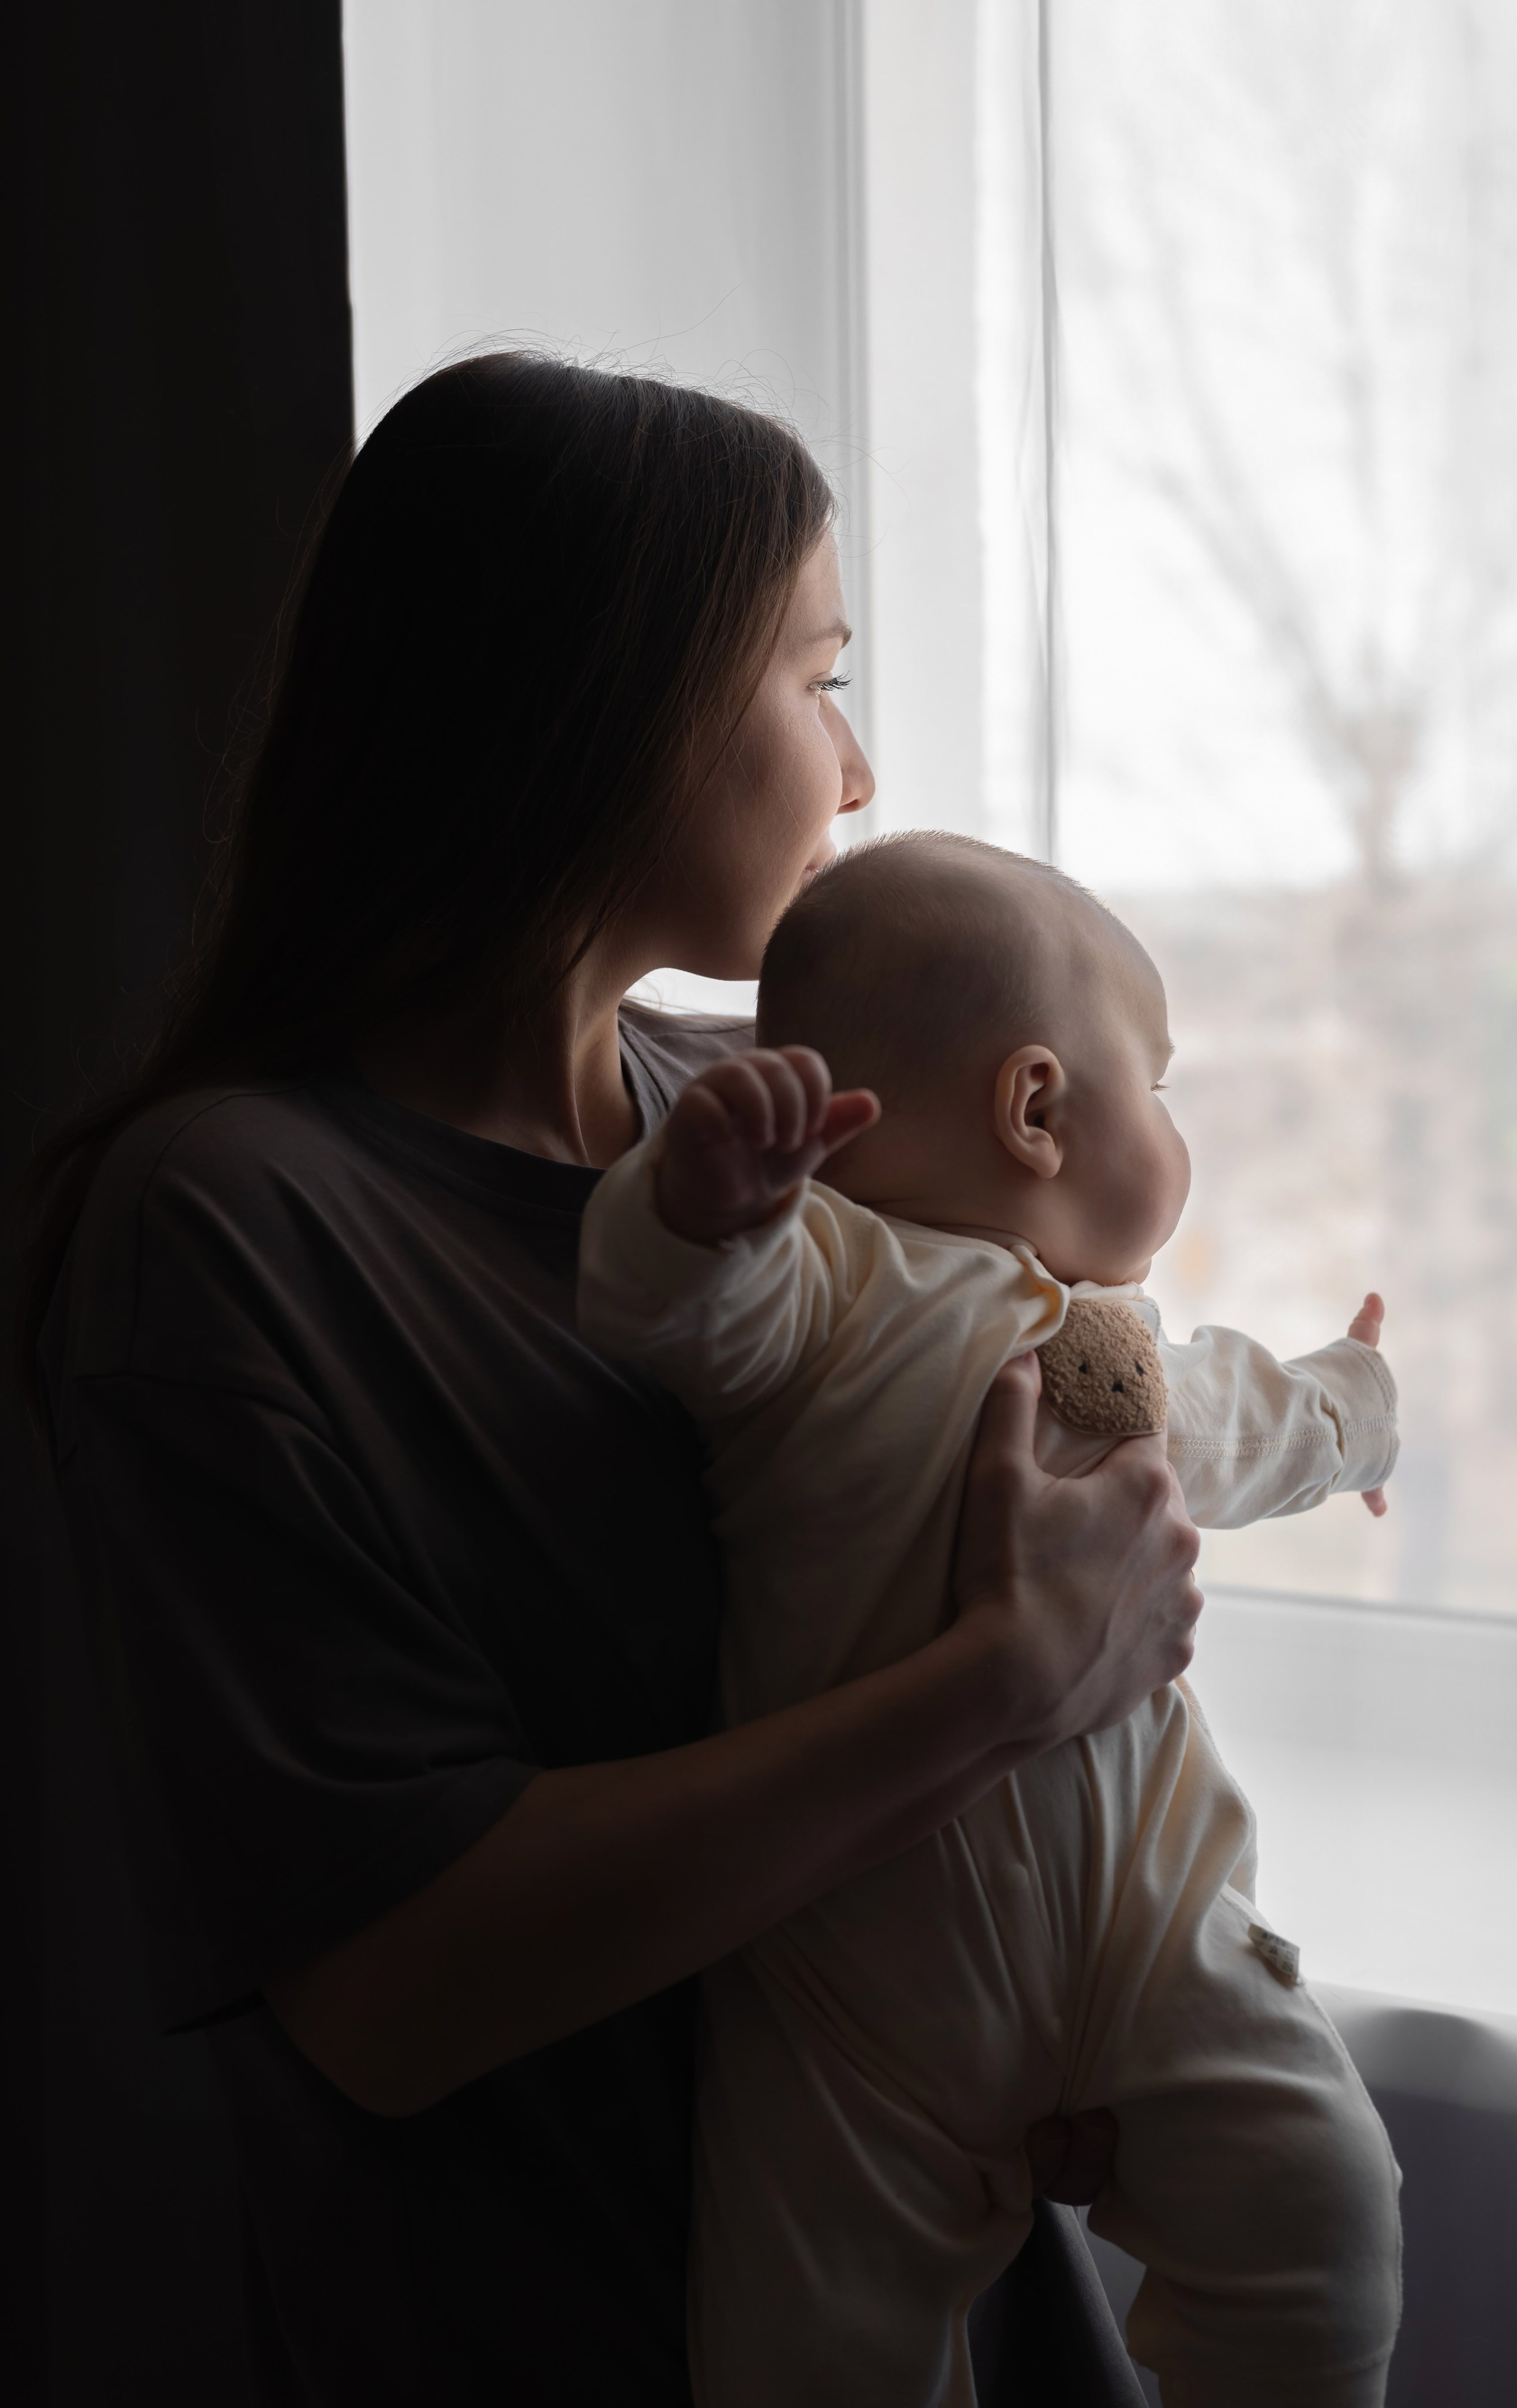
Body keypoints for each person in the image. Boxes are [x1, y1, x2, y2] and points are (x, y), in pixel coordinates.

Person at [16, 355, 1203, 2404]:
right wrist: (1003, 1684)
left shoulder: (757, 1115)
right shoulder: (226, 1227)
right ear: (602, 696)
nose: (853, 771)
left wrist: (1073, 2006)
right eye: (814, 675)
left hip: (959, 2281)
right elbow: (394, 1988)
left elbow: (976, 1523)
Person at [577, 833, 1405, 2407]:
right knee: (800, 2344)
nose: (1172, 1129)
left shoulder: (1095, 1347)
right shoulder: (825, 1281)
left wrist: (1352, 1411)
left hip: (1152, 1943)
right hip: (849, 1980)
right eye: (1154, 1086)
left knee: (1320, 2198)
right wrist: (695, 1212)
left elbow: (1237, 1419)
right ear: (1036, 1109)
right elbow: (677, 1319)